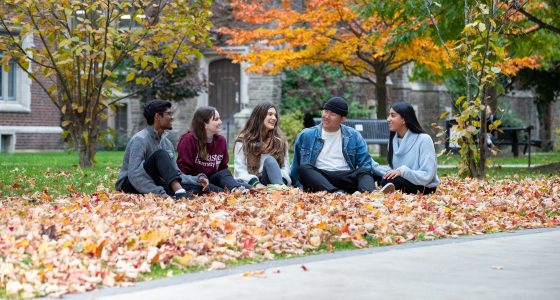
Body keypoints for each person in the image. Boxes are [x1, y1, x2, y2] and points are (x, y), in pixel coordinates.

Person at [290, 96, 389, 194]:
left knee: (364, 171)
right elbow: (295, 165)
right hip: (319, 179)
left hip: (345, 177)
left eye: (332, 114)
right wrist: (299, 186)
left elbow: (365, 163)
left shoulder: (353, 135)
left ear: (342, 119)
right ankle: (336, 193)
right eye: (325, 111)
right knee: (304, 168)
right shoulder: (306, 135)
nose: (326, 116)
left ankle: (371, 194)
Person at [115, 100, 208, 200]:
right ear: (157, 117)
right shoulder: (140, 139)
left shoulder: (166, 143)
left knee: (198, 189)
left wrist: (197, 179)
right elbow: (135, 175)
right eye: (169, 114)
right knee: (160, 154)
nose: (172, 117)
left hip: (153, 181)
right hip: (130, 184)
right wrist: (159, 192)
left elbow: (176, 174)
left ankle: (179, 192)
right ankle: (179, 191)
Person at [177, 106, 248, 192]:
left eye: (219, 119)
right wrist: (198, 180)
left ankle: (236, 190)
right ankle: (233, 190)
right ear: (204, 124)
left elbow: (223, 169)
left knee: (246, 186)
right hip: (197, 182)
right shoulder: (188, 140)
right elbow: (183, 170)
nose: (220, 122)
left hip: (214, 179)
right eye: (216, 119)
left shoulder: (221, 140)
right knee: (221, 191)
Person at [382, 102, 440, 194]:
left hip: (424, 186)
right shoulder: (392, 141)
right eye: (389, 115)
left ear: (404, 120)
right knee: (384, 178)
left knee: (392, 181)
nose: (388, 119)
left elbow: (427, 175)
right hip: (401, 182)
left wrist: (402, 171)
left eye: (393, 115)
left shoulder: (424, 139)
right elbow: (393, 170)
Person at [234, 102, 291, 188]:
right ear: (259, 117)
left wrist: (281, 180)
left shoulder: (279, 141)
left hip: (274, 181)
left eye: (275, 115)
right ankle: (280, 190)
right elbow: (240, 170)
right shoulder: (243, 141)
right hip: (251, 183)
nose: (274, 118)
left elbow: (285, 167)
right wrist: (257, 184)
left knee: (270, 161)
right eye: (270, 114)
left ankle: (280, 189)